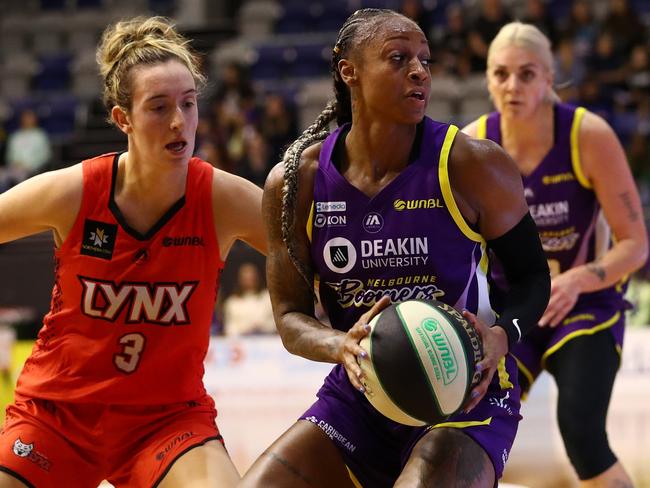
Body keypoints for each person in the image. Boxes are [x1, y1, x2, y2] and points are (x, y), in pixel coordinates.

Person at [241, 8, 550, 488]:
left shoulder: (473, 164)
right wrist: (338, 343)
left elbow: (533, 277)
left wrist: (501, 336)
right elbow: (289, 318)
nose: (419, 71)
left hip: (464, 392)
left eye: (425, 60)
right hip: (362, 393)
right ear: (349, 71)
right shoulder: (294, 183)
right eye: (398, 58)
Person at [0, 16, 266, 488]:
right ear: (122, 118)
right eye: (158, 107)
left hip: (165, 420)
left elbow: (318, 256)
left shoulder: (223, 198)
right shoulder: (75, 192)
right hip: (58, 413)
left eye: (188, 104)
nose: (179, 121)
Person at [463, 21, 648, 488]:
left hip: (584, 300)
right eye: (501, 74)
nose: (513, 86)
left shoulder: (589, 135)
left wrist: (578, 280)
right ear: (487, 79)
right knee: (464, 430)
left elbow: (635, 244)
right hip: (514, 306)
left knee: (582, 433)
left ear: (550, 78)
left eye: (527, 74)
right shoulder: (472, 144)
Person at [2, 109, 52, 192]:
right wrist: (14, 163)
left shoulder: (40, 135)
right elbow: (10, 155)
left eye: (30, 118)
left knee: (21, 178)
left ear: (35, 119)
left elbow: (45, 155)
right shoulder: (15, 136)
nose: (27, 120)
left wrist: (30, 166)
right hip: (14, 167)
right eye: (25, 118)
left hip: (31, 169)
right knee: (2, 175)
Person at [222, 262, 275, 336]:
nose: (249, 280)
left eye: (251, 277)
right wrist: (246, 328)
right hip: (242, 341)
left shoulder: (268, 298)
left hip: (267, 339)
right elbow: (229, 327)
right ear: (240, 279)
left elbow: (275, 322)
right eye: (245, 278)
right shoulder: (232, 302)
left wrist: (261, 327)